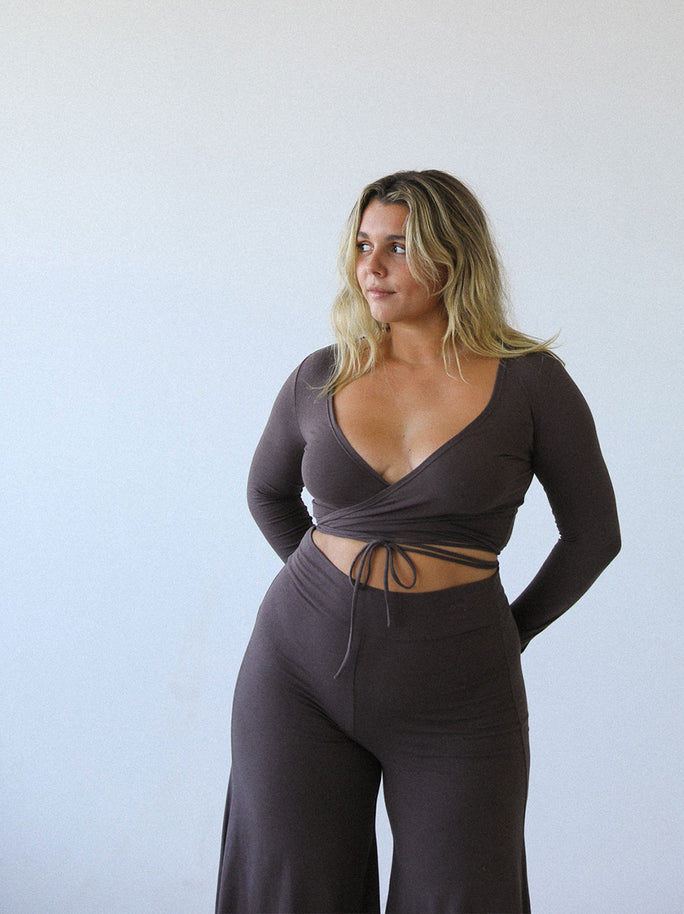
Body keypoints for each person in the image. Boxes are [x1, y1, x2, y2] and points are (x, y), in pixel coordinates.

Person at [216, 169, 620, 914]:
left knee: (463, 896)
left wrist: (510, 631)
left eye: (398, 247)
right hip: (296, 673)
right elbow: (266, 494)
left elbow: (594, 535)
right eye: (363, 244)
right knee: (288, 894)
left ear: (453, 256)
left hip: (460, 688)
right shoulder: (321, 374)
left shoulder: (531, 382)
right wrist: (325, 591)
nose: (371, 266)